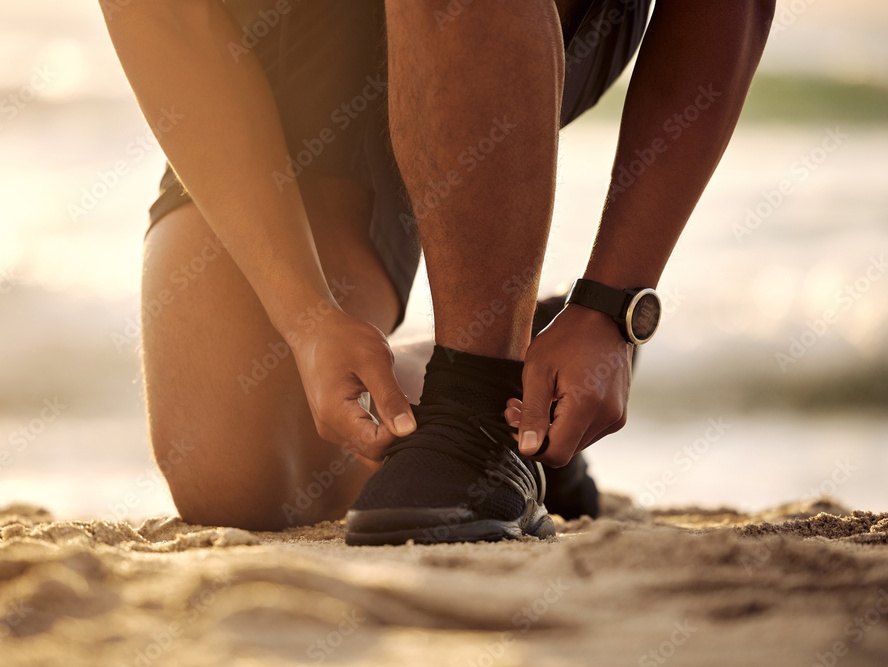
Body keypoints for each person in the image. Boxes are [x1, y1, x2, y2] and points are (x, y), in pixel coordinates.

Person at [103, 0, 775, 544]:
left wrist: (614, 301)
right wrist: (305, 316)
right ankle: (511, 387)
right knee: (238, 473)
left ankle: (479, 405)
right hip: (293, 35)